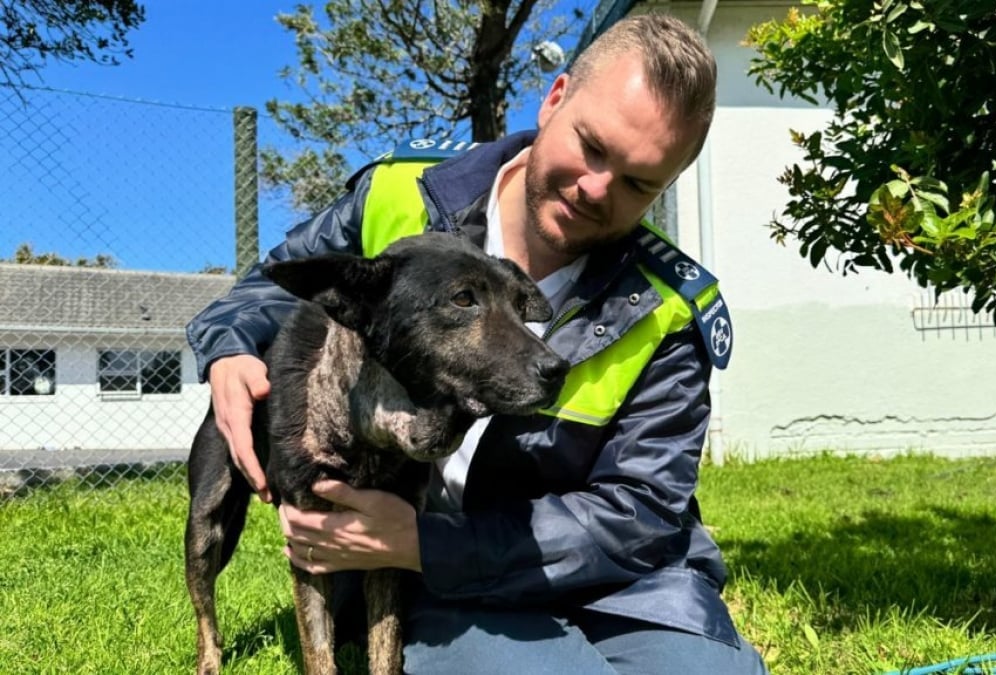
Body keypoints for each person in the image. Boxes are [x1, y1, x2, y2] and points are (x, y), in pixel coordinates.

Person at [186, 13, 767, 675]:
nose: (598, 188)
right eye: (593, 146)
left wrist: (428, 543)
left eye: (639, 183)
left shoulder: (666, 310)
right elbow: (276, 285)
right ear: (554, 100)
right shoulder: (397, 200)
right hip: (436, 582)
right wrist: (230, 348)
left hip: (624, 590)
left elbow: (639, 513)